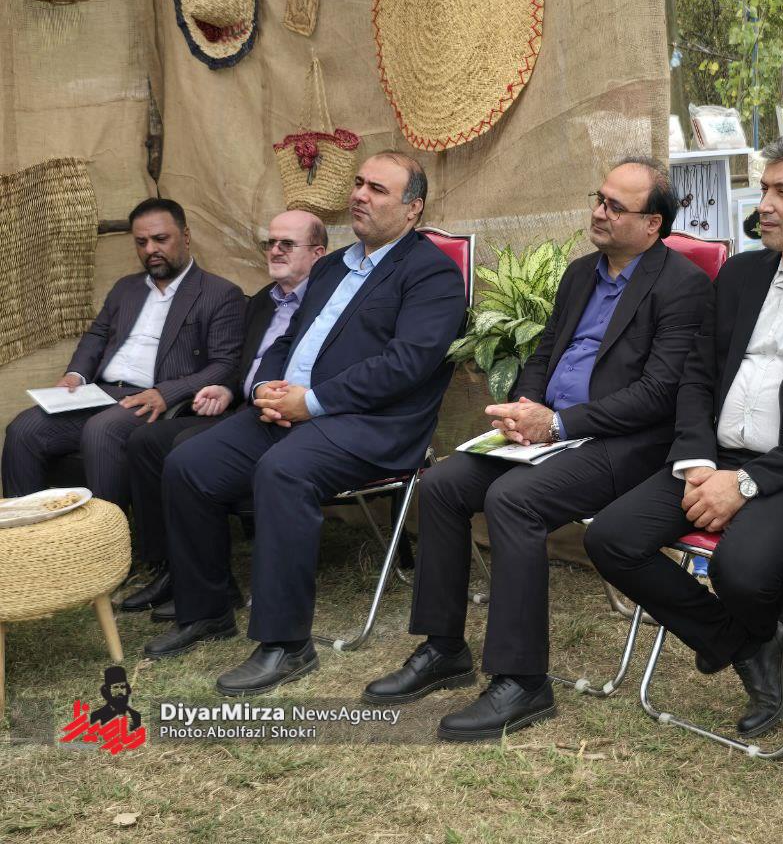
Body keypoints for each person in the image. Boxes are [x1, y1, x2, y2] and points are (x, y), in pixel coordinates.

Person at [362, 156, 711, 742]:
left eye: (615, 206)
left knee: (513, 500)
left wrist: (560, 423)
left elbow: (660, 394)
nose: (599, 212)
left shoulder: (683, 286)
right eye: (598, 198)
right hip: (551, 435)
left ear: (653, 224)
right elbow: (545, 353)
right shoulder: (580, 274)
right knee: (442, 484)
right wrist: (523, 408)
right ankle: (444, 647)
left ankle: (523, 681)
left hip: (626, 445)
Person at [587, 130, 783, 738]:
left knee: (739, 570)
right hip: (716, 457)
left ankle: (750, 634)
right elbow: (697, 376)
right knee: (611, 538)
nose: (764, 205)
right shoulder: (739, 275)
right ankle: (749, 643)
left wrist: (748, 483)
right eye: (763, 190)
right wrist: (696, 460)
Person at [143, 152, 467, 698]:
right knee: (187, 463)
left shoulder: (431, 272)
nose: (359, 194)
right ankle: (207, 610)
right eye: (359, 183)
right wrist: (264, 388)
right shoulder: (333, 265)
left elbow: (407, 365)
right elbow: (290, 337)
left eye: (378, 189)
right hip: (289, 410)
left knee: (283, 471)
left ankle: (286, 644)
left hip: (372, 424)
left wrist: (311, 402)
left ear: (412, 209)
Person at [120, 210, 327, 614]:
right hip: (245, 408)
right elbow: (243, 363)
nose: (275, 250)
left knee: (185, 446)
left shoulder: (326, 303)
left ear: (318, 254)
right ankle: (170, 566)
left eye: (287, 244)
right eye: (270, 243)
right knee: (145, 440)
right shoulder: (263, 301)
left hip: (289, 417)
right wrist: (225, 388)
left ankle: (209, 583)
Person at [2, 198, 244, 508]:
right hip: (98, 393)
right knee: (23, 428)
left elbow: (225, 364)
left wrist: (166, 393)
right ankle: (28, 529)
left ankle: (108, 533)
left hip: (153, 399)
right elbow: (97, 336)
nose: (150, 249)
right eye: (141, 242)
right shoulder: (126, 288)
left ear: (185, 236)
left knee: (102, 430)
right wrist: (75, 375)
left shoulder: (220, 293)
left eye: (160, 239)